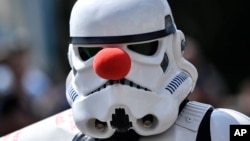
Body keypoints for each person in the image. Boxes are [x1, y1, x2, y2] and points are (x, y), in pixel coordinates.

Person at [0, 0, 249, 141]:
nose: (115, 70)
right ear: (74, 57)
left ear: (175, 48)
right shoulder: (46, 137)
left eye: (141, 47)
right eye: (92, 53)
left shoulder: (224, 130)